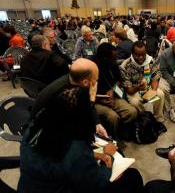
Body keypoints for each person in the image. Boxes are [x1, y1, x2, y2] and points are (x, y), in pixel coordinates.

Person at [18, 58, 144, 193]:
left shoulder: (36, 127)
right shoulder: (75, 149)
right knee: (132, 176)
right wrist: (109, 156)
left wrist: (94, 155)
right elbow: (96, 183)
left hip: (32, 185)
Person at [94, 43, 138, 139]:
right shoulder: (91, 68)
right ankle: (113, 138)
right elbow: (85, 93)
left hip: (112, 95)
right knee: (113, 117)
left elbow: (119, 80)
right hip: (96, 100)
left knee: (132, 112)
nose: (116, 60)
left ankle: (122, 131)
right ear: (105, 59)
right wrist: (99, 99)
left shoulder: (112, 64)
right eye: (113, 58)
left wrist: (112, 90)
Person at [120, 41, 165, 126]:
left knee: (160, 95)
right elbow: (129, 90)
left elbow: (155, 77)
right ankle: (144, 120)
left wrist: (153, 91)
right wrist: (138, 88)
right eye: (137, 55)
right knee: (135, 102)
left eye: (143, 54)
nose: (141, 57)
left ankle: (158, 119)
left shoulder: (150, 61)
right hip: (134, 90)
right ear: (132, 54)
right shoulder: (125, 65)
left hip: (147, 88)